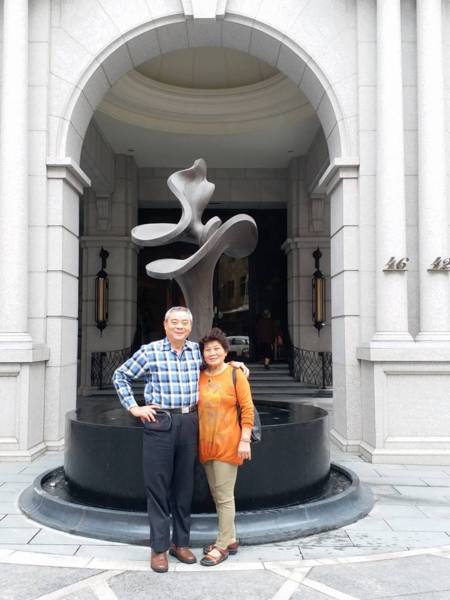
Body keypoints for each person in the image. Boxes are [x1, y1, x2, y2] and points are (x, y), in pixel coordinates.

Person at [112, 307, 248, 573]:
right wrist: (134, 407)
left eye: (184, 323)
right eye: (174, 322)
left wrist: (235, 364)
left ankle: (181, 543)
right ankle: (159, 549)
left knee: (184, 486)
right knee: (158, 487)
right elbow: (120, 375)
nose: (179, 326)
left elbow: (216, 362)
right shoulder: (150, 351)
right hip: (160, 422)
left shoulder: (196, 352)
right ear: (165, 325)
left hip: (190, 422)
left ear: (190, 327)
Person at [197, 328, 254, 567]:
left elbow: (247, 408)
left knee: (224, 497)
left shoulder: (235, 374)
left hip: (228, 443)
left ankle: (221, 546)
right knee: (217, 494)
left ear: (225, 351)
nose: (212, 353)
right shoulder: (199, 375)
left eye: (216, 349)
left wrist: (245, 440)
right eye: (208, 349)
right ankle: (230, 539)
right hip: (205, 443)